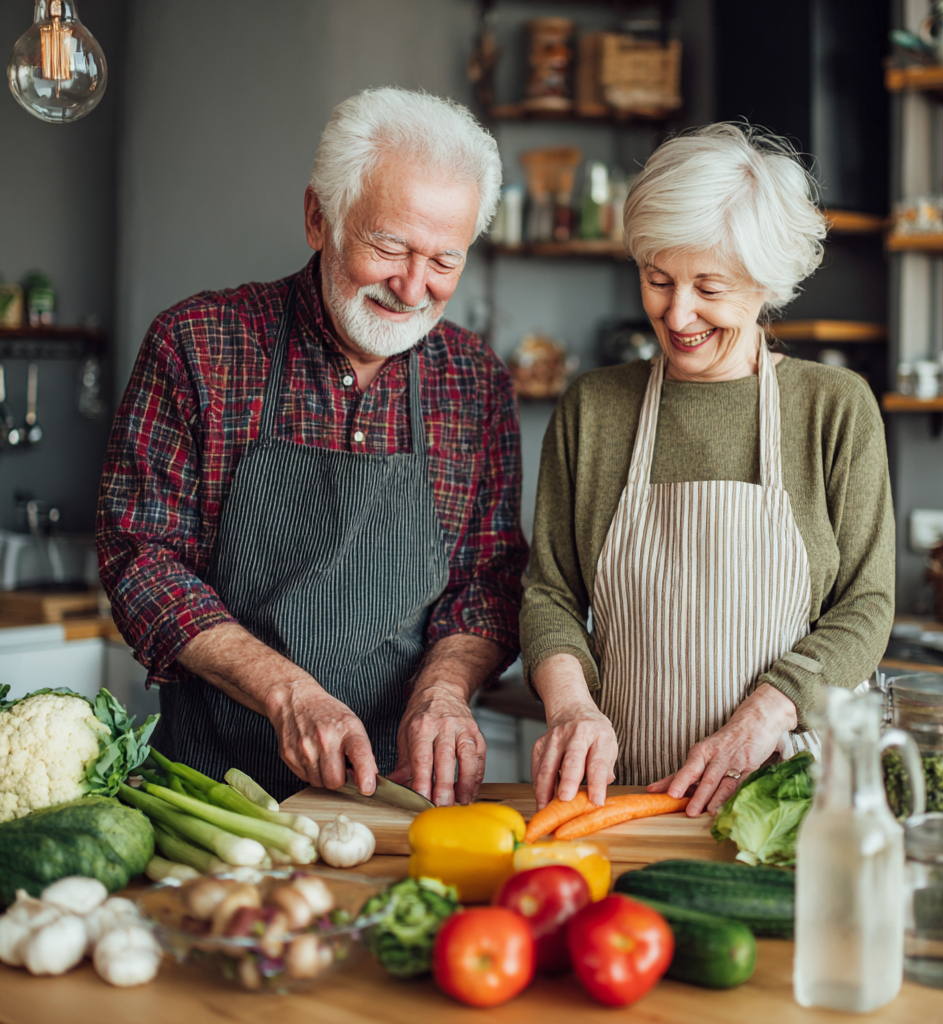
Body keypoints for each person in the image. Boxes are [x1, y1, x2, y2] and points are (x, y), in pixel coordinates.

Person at [97, 88, 528, 805]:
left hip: (403, 797)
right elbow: (142, 559)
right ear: (317, 218)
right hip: (217, 796)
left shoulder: (475, 381)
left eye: (443, 260)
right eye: (389, 245)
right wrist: (286, 692)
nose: (412, 287)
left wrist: (446, 690)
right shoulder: (198, 345)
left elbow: (487, 580)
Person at [521, 124, 894, 817]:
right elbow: (551, 594)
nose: (677, 312)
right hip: (618, 796)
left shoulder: (833, 408)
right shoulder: (595, 408)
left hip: (787, 798)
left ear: (767, 284)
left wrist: (765, 716)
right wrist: (571, 706)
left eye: (709, 288)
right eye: (658, 279)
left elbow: (867, 605)